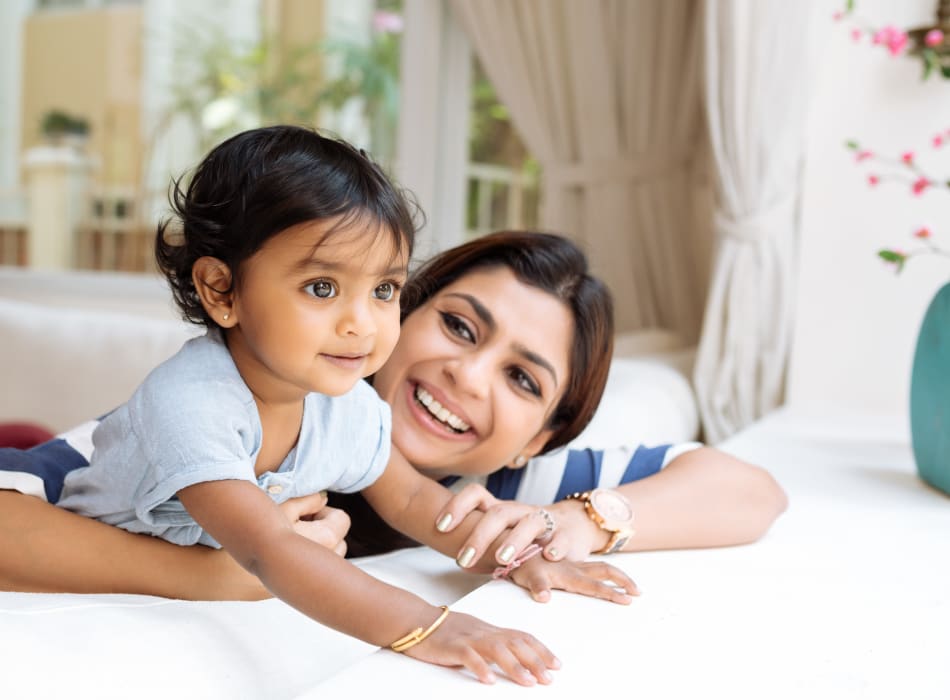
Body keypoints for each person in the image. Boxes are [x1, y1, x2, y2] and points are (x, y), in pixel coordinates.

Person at [0, 126, 641, 688]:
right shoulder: (191, 403)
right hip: (57, 547)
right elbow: (269, 551)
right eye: (322, 287)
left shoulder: (347, 406)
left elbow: (420, 504)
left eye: (385, 289)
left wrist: (520, 559)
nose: (361, 325)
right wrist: (429, 629)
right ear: (222, 290)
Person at [0, 228, 787, 607]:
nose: (466, 374)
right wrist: (221, 573)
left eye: (520, 377)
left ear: (546, 432)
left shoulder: (504, 484)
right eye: (458, 326)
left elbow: (749, 490)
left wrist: (578, 522)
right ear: (398, 312)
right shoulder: (238, 415)